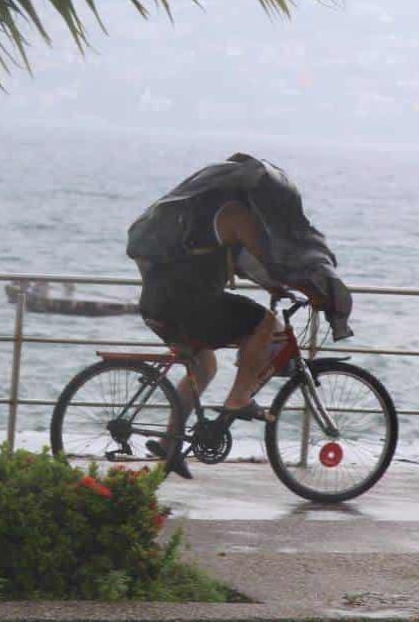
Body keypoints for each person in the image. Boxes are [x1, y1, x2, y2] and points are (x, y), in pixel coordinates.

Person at [127, 154, 349, 479]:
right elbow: (271, 260)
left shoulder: (197, 211)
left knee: (204, 366)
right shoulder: (235, 215)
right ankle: (239, 400)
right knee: (266, 324)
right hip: (191, 304)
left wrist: (272, 288)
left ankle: (169, 444)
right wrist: (314, 292)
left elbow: (246, 264)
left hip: (159, 303)